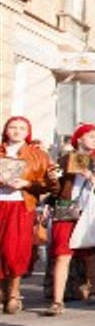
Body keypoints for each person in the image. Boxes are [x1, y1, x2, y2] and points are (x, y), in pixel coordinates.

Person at [46, 123, 95, 314]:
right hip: (66, 207)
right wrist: (52, 179)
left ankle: (92, 289)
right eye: (91, 136)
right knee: (62, 254)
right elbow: (56, 190)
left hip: (89, 210)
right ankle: (57, 300)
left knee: (90, 254)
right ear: (79, 138)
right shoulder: (64, 159)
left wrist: (92, 178)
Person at [0, 117, 57, 314]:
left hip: (21, 205)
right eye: (12, 127)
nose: (16, 131)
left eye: (21, 128)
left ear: (28, 132)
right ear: (6, 130)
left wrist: (27, 184)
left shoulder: (38, 155)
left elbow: (51, 184)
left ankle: (14, 292)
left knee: (13, 249)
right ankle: (2, 292)